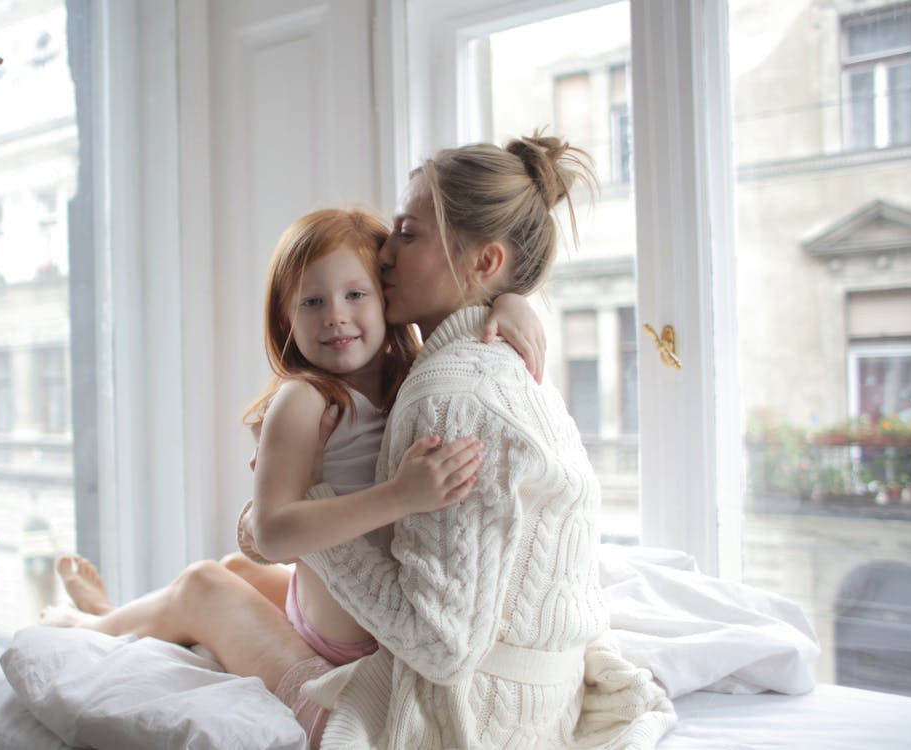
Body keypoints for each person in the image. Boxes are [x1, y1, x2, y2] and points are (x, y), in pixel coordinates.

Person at [43, 205, 547, 747]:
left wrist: (511, 302)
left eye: (356, 295)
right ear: (286, 319)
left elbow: (467, 311)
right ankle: (94, 626)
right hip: (340, 636)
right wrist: (399, 496)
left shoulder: (420, 376)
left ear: (388, 300)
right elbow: (273, 533)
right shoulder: (304, 400)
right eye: (312, 301)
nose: (335, 315)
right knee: (205, 581)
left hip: (365, 628)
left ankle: (115, 614)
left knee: (228, 571)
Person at [258, 132, 677, 748]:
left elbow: (439, 645)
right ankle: (111, 613)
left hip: (476, 715)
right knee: (231, 574)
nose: (384, 255)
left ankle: (106, 616)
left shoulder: (447, 392)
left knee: (206, 589)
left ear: (484, 262)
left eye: (408, 232)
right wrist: (509, 300)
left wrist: (310, 505)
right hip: (539, 700)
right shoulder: (495, 362)